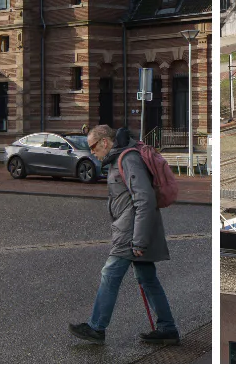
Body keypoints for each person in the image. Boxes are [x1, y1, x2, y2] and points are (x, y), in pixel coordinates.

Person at [70, 125, 178, 346]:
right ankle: (167, 328)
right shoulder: (120, 159)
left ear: (105, 142)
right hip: (131, 229)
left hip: (130, 233)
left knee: (110, 274)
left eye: (92, 146)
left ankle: (96, 327)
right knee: (148, 279)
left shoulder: (128, 160)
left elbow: (144, 200)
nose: (91, 152)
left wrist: (138, 240)